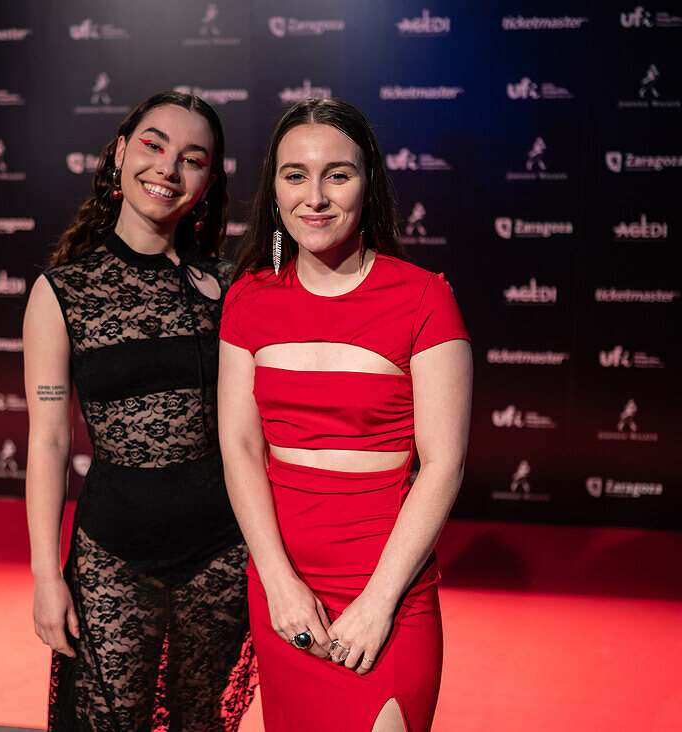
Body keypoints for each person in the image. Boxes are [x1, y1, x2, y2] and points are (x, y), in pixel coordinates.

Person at [218, 98, 472, 731]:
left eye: (338, 173)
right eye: (295, 174)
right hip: (282, 586)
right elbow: (241, 449)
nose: (316, 196)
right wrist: (277, 581)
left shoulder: (422, 297)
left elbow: (443, 465)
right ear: (273, 189)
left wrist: (379, 602)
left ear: (369, 184)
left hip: (388, 584)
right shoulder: (249, 298)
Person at [23, 91, 254, 732]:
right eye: (153, 145)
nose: (168, 169)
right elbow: (46, 442)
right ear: (121, 154)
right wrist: (47, 576)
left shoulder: (231, 287)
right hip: (114, 556)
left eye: (193, 158)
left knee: (198, 723)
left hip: (223, 555)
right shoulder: (61, 292)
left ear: (208, 182)